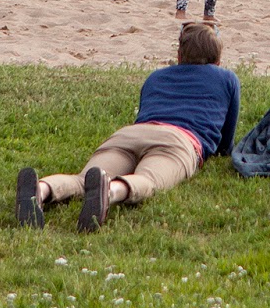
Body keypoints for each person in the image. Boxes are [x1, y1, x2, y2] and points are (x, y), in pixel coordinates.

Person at [15, 22, 239, 231]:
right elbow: (226, 136)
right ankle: (110, 191)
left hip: (130, 134)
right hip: (178, 140)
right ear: (218, 60)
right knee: (148, 180)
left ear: (179, 56)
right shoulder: (227, 78)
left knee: (82, 179)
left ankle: (42, 189)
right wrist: (223, 151)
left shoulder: (156, 77)